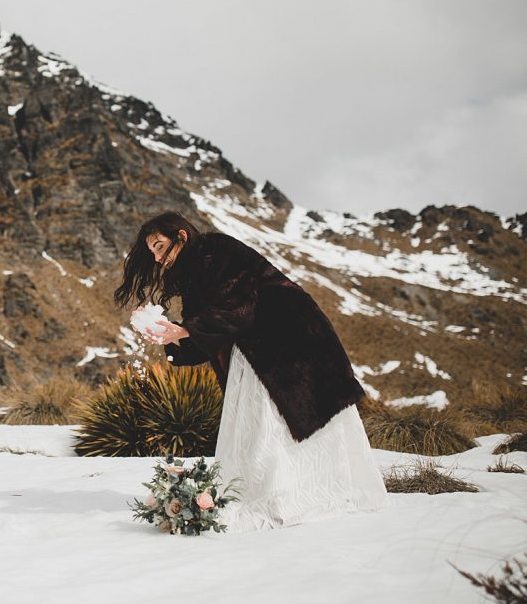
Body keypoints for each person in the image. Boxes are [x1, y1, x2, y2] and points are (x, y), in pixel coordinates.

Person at [115, 211, 387, 531]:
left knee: (272, 422)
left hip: (292, 343)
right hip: (262, 351)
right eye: (153, 252)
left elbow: (237, 311)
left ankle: (293, 497)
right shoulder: (195, 271)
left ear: (181, 236)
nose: (158, 258)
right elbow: (212, 333)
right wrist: (172, 335)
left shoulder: (217, 251)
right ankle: (280, 495)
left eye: (160, 246)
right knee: (263, 426)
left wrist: (184, 331)